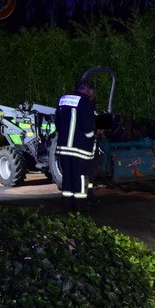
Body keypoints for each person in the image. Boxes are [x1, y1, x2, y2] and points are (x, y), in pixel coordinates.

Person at [55, 78, 97, 211]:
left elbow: (57, 124)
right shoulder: (85, 103)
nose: (92, 94)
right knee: (81, 179)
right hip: (80, 150)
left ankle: (67, 205)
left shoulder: (63, 100)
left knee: (68, 178)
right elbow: (88, 128)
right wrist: (94, 137)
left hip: (63, 149)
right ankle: (80, 207)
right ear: (86, 89)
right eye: (92, 90)